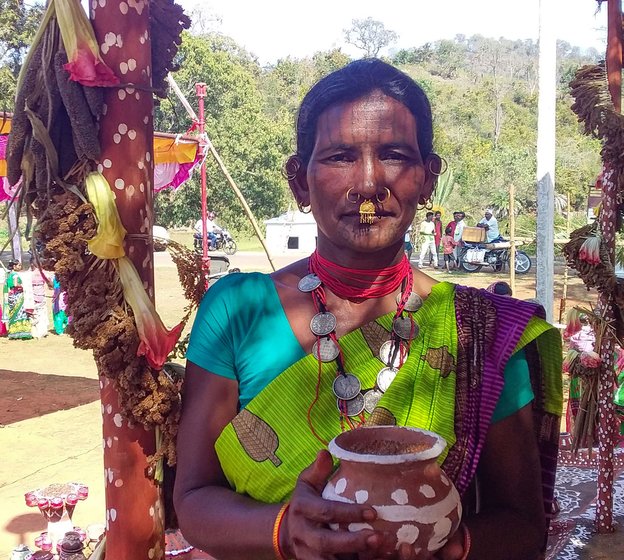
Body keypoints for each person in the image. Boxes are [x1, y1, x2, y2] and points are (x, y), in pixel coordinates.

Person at [174, 59, 562, 560]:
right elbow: (194, 499)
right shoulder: (237, 311)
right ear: (299, 180)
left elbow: (524, 526)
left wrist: (454, 547)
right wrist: (285, 530)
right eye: (339, 156)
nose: (369, 182)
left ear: (428, 179)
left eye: (395, 155)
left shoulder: (479, 334)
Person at [5, 259, 33, 339]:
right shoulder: (15, 275)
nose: (20, 266)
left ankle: (14, 332)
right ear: (14, 266)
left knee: (13, 313)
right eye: (19, 265)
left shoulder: (9, 274)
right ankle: (22, 332)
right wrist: (23, 286)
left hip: (11, 296)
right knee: (20, 313)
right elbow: (15, 284)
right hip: (17, 295)